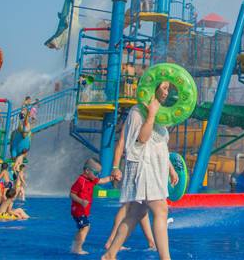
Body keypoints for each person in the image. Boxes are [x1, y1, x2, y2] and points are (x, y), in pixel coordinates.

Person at [105, 82, 179, 260]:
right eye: (164, 88)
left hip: (156, 168)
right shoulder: (138, 111)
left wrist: (170, 169)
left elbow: (160, 144)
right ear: (153, 87)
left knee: (136, 213)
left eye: (168, 89)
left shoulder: (160, 112)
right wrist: (151, 115)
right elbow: (142, 139)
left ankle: (109, 255)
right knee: (161, 210)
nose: (166, 92)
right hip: (144, 167)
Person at [70, 158, 114, 255]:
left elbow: (102, 180)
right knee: (85, 227)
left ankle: (74, 247)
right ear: (87, 170)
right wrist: (81, 201)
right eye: (96, 173)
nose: (97, 176)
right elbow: (72, 194)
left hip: (83, 210)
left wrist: (112, 177)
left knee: (83, 228)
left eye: (99, 173)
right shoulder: (80, 181)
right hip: (78, 210)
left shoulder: (91, 180)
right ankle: (77, 248)